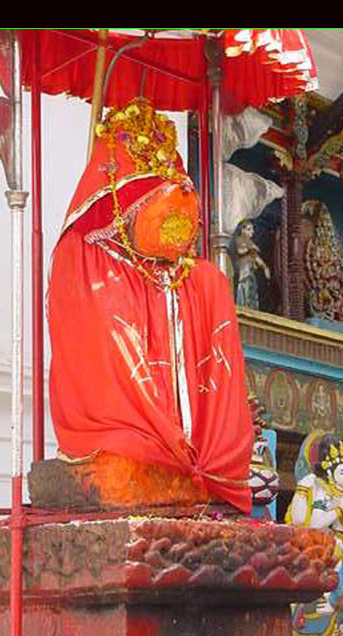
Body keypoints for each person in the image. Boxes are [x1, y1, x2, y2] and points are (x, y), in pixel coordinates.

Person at [48, 98, 254, 513]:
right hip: (116, 436)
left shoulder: (200, 281)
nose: (179, 197)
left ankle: (205, 459)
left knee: (210, 279)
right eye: (154, 190)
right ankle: (158, 443)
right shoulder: (85, 259)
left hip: (199, 452)